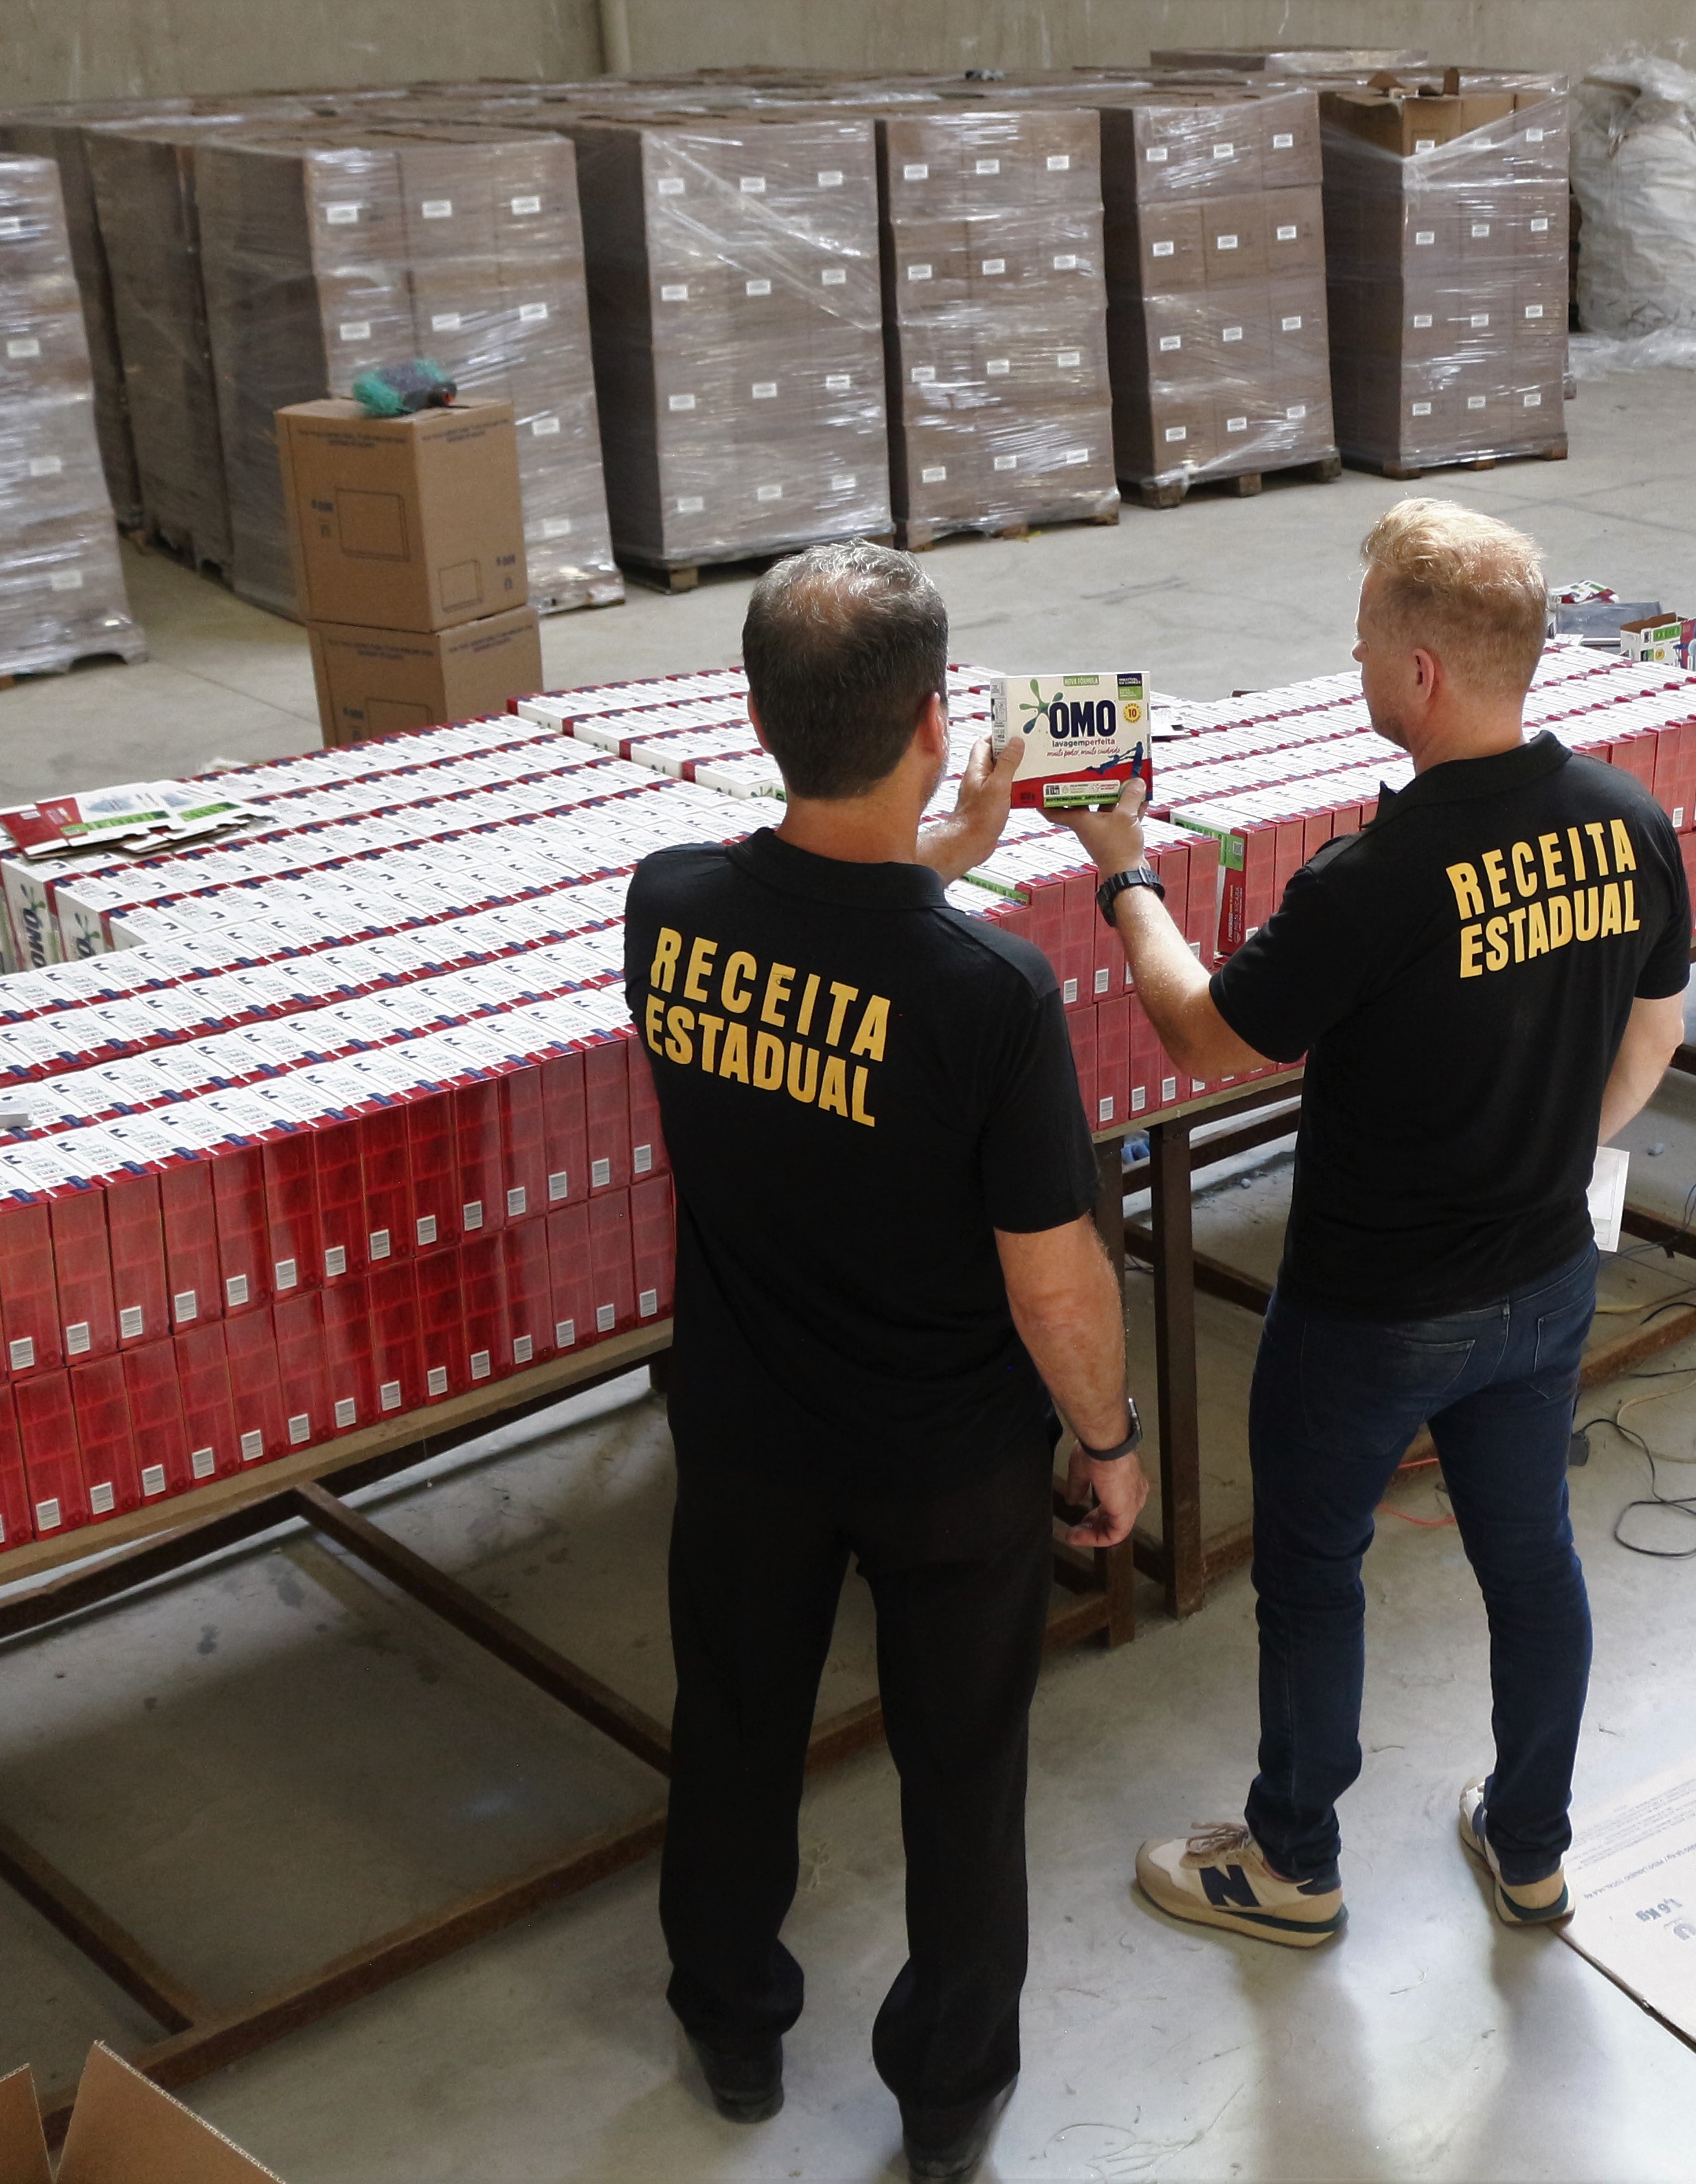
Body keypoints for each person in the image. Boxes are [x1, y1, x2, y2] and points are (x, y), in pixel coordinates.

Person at [1053, 499, 1688, 1946]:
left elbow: (1203, 1034)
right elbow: (1655, 1028)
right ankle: (1531, 1848)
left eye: (1360, 642)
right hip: (1543, 1282)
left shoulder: (1377, 878)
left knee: (1312, 1572)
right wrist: (1547, 1157)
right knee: (1531, 1564)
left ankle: (1293, 1863)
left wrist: (1123, 866)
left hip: (1371, 1311)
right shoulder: (1628, 818)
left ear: (1420, 671)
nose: (1349, 661)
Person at [626, 541, 1147, 2181]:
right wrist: (1110, 1440)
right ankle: (942, 2099)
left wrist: (930, 859)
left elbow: (813, 956)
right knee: (960, 1770)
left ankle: (728, 2021)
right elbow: (1053, 1282)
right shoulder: (987, 988)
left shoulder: (669, 908)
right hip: (943, 1460)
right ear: (935, 724)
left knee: (734, 1727)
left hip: (744, 1435)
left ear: (756, 718)